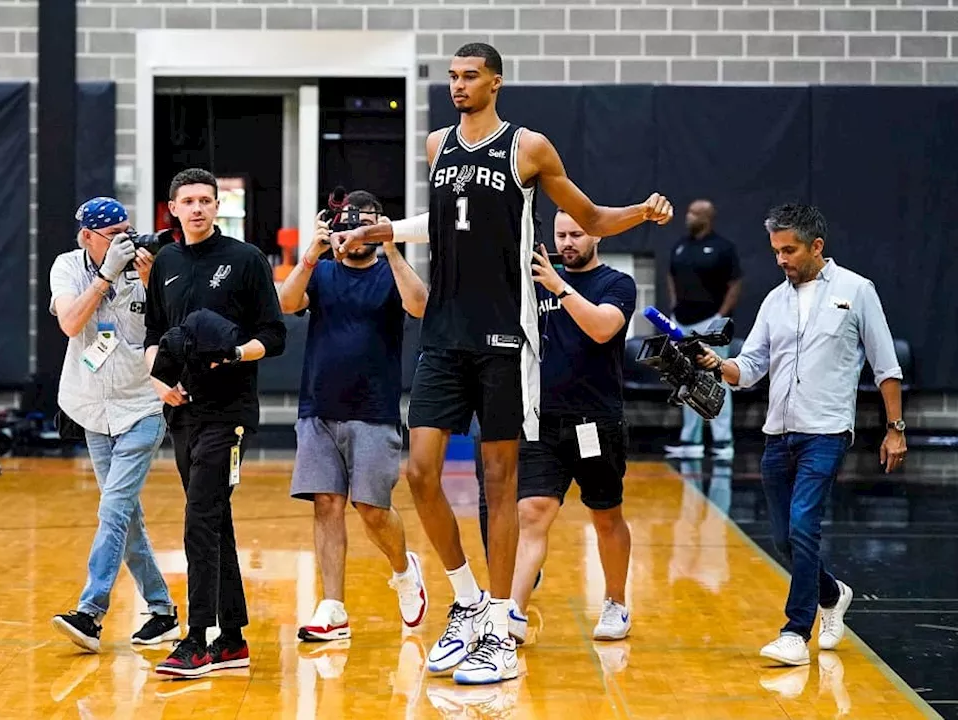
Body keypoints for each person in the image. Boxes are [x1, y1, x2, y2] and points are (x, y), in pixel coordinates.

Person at [331, 42, 671, 684]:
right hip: (444, 332)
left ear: (496, 82)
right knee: (421, 472)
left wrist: (642, 212)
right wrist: (384, 232)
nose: (458, 86)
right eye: (453, 77)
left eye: (470, 77)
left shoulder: (529, 147)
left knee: (500, 481)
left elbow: (589, 215)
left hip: (506, 336)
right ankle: (465, 600)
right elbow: (445, 222)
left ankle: (498, 628)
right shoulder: (436, 147)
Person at [697, 203, 905, 667]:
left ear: (816, 246)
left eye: (789, 250)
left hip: (826, 432)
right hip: (778, 434)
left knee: (803, 526)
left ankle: (795, 632)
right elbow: (748, 368)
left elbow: (886, 365)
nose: (781, 260)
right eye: (775, 251)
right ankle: (832, 594)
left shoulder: (857, 290)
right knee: (784, 540)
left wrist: (895, 429)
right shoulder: (775, 300)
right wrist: (718, 365)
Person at [143, 168, 287, 678]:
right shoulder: (166, 263)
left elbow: (275, 336)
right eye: (189, 201)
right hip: (183, 411)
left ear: (217, 206)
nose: (199, 208)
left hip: (231, 414)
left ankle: (197, 639)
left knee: (200, 518)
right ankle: (232, 639)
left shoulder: (244, 260)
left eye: (207, 200)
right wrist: (161, 384)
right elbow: (154, 334)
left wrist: (233, 353)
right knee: (213, 518)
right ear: (174, 209)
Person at [277, 191, 430, 642]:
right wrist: (310, 254)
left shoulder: (389, 271)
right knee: (326, 504)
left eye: (368, 224)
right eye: (350, 224)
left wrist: (391, 245)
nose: (356, 233)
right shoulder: (322, 272)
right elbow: (286, 303)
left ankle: (404, 572)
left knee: (372, 509)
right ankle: (333, 607)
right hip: (318, 408)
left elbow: (420, 306)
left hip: (374, 410)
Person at [48, 197, 181, 652]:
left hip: (142, 406)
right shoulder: (68, 267)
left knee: (114, 508)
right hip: (91, 408)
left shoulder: (150, 268)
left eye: (128, 230)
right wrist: (105, 278)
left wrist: (147, 280)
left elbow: (167, 328)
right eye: (113, 234)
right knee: (125, 517)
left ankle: (90, 613)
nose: (125, 240)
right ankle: (162, 611)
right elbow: (70, 323)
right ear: (87, 237)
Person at [508, 210, 637, 645]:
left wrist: (559, 288)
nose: (567, 243)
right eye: (561, 235)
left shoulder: (616, 284)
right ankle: (513, 616)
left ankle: (616, 602)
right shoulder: (537, 283)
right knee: (532, 513)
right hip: (543, 421)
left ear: (596, 235)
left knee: (605, 516)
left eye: (576, 235)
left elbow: (602, 329)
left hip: (597, 422)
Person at [666, 199, 742, 460]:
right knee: (686, 379)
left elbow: (735, 284)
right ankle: (691, 440)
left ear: (707, 217)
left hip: (710, 323)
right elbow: (670, 276)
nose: (688, 216)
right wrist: (674, 307)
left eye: (694, 213)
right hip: (683, 323)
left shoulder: (723, 248)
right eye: (688, 212)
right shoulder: (681, 246)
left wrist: (721, 315)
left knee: (716, 378)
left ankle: (723, 442)